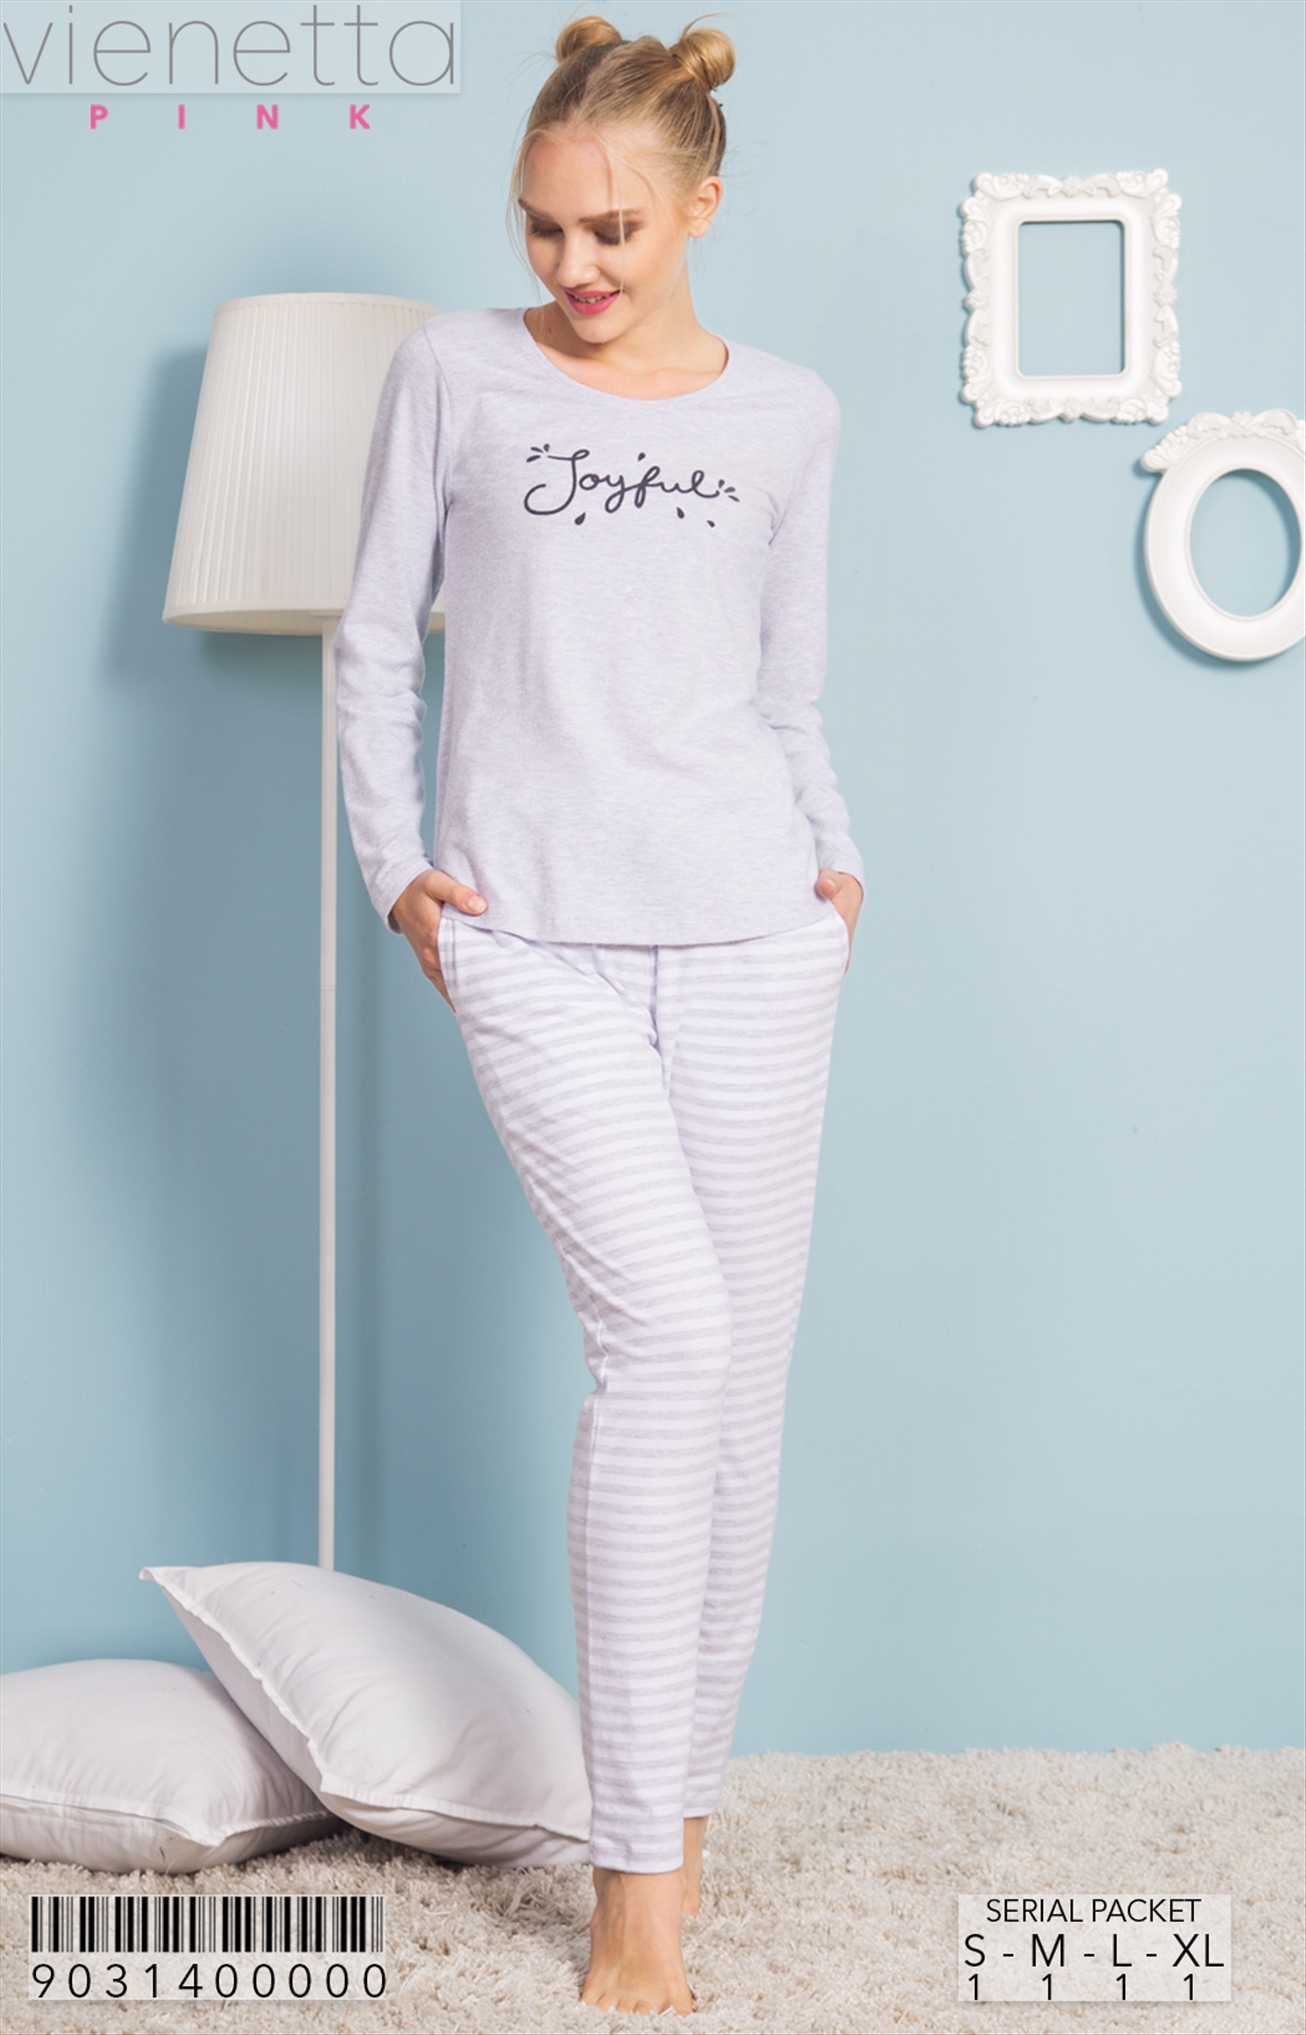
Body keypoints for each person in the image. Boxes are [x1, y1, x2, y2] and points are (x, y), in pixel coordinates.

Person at [332, 12, 865, 2016]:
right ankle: (632, 1890)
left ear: (701, 205)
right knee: (668, 1351)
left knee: (741, 1399)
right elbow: (374, 636)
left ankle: (682, 1811)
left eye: (614, 231)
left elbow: (784, 687)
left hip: (754, 936)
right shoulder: (450, 374)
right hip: (533, 939)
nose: (573, 266)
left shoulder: (791, 415)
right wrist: (399, 869)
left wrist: (834, 870)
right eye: (543, 227)